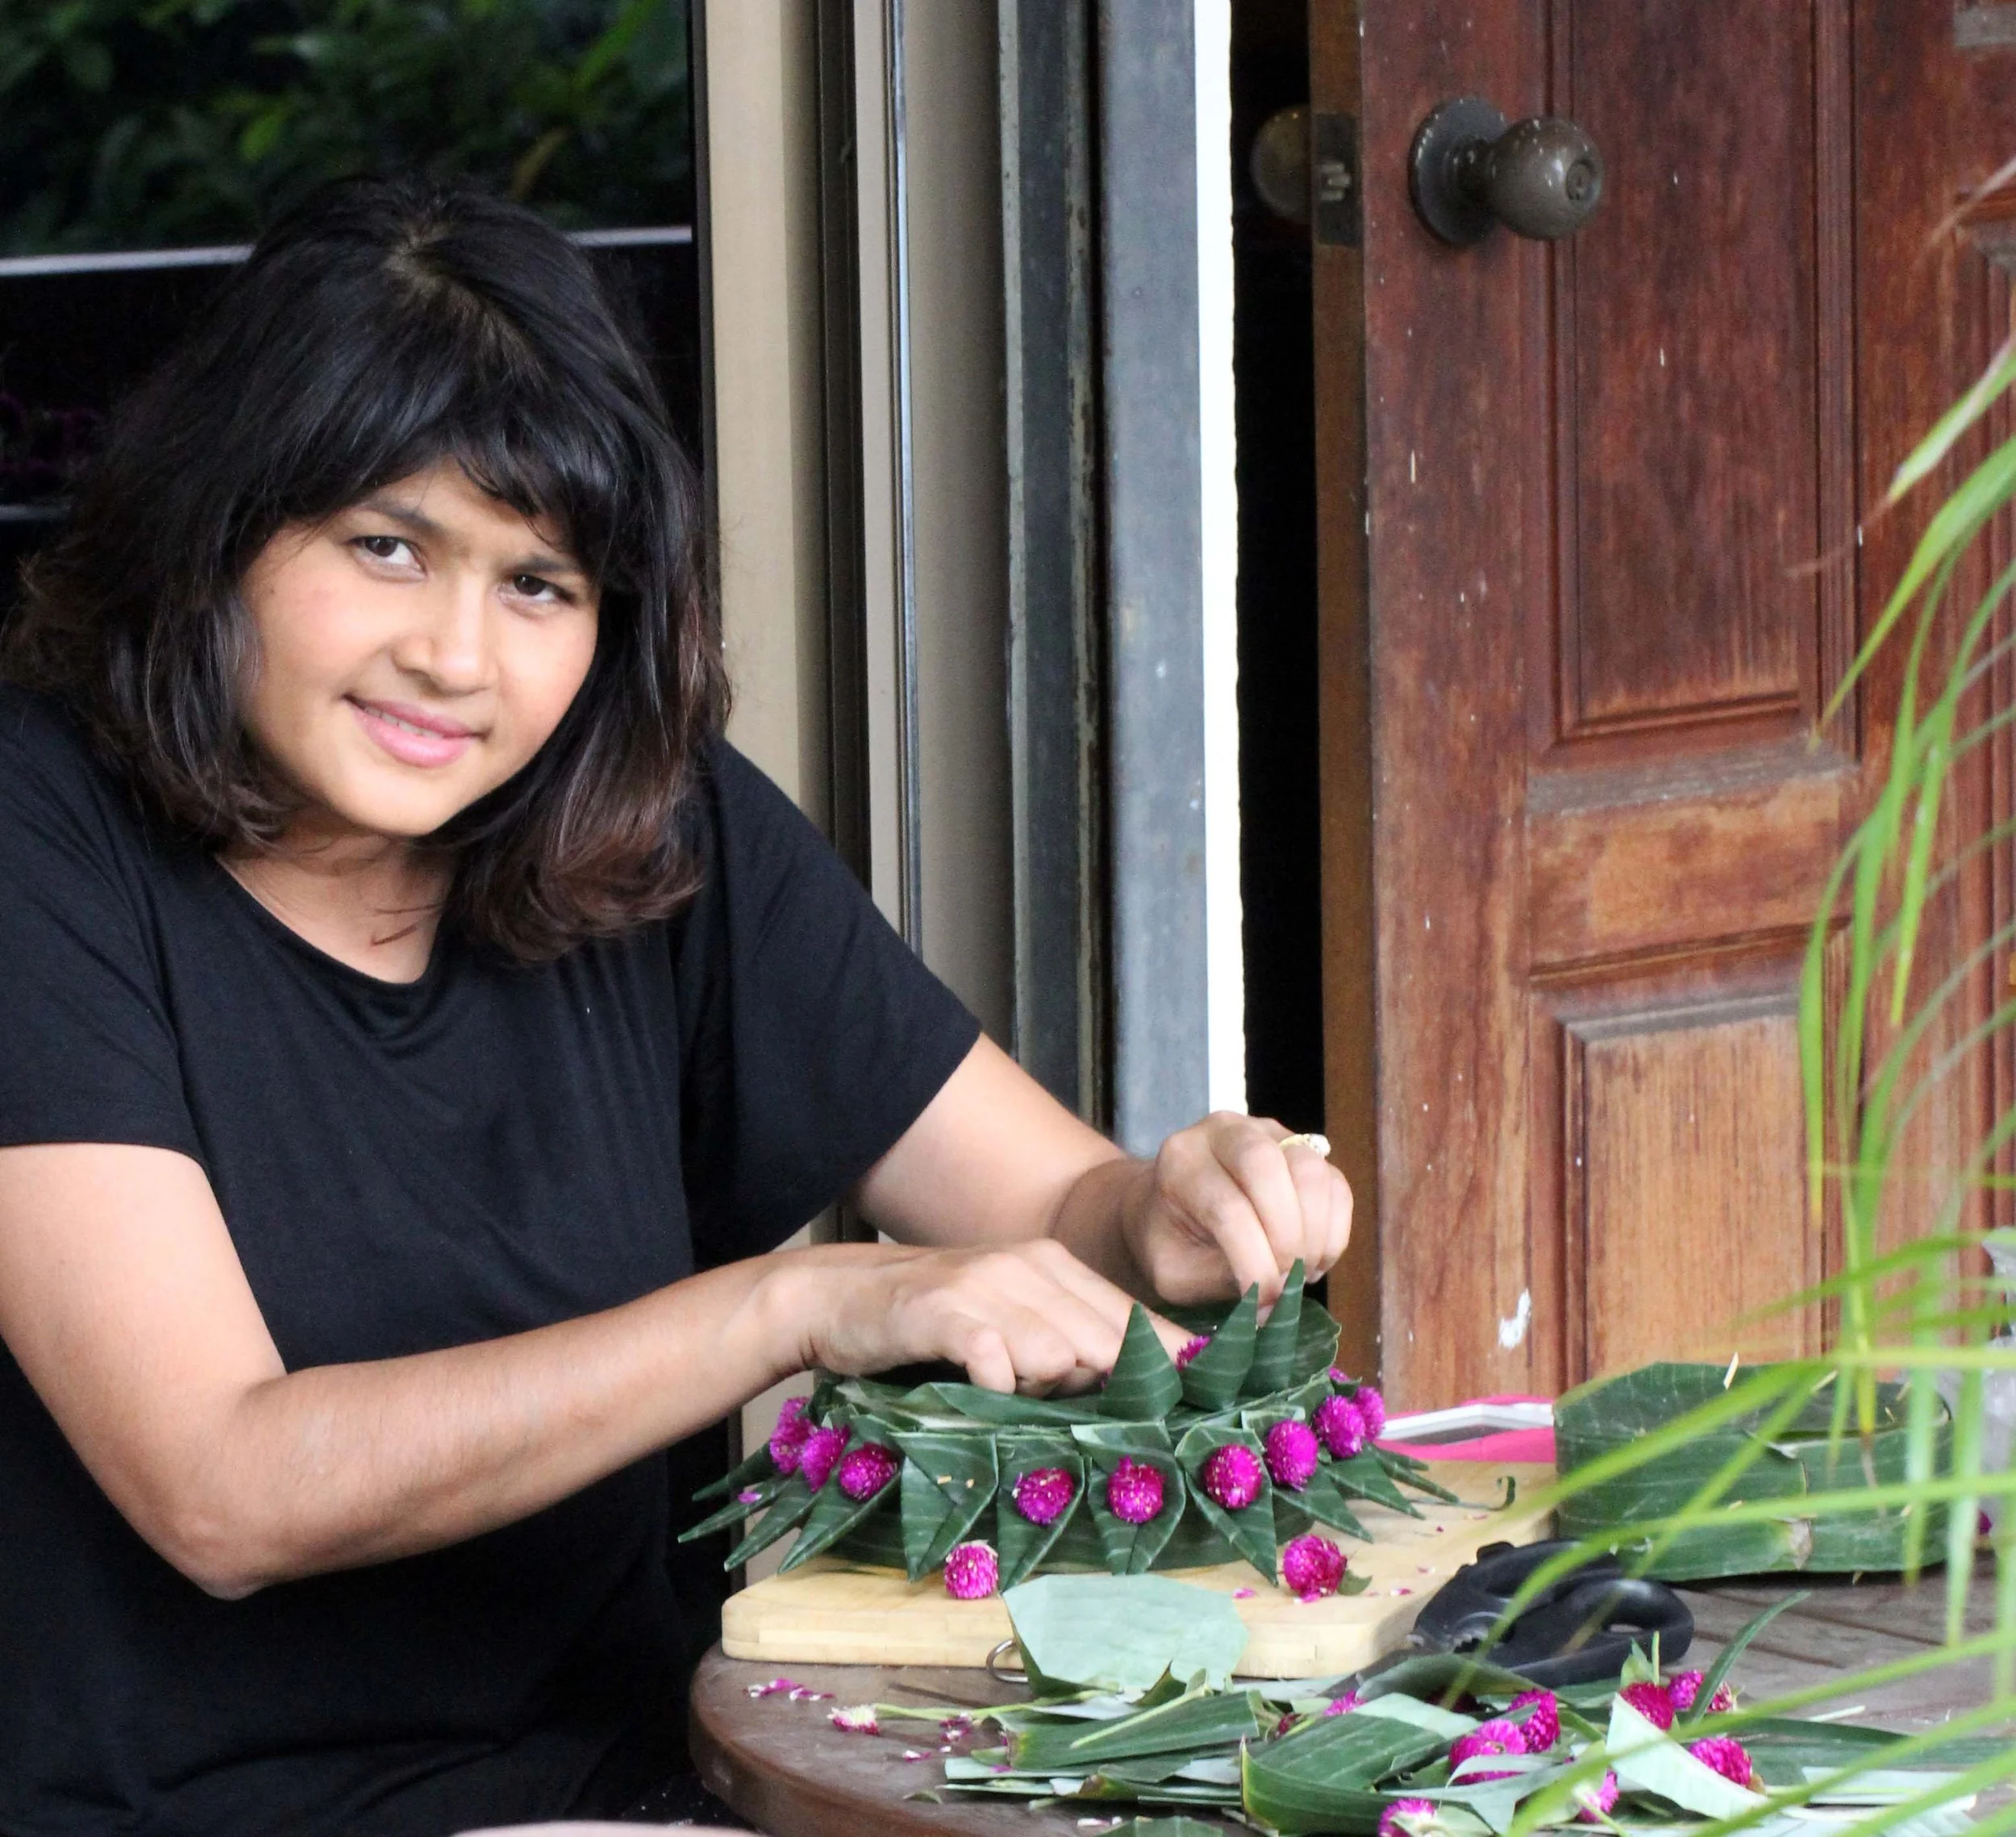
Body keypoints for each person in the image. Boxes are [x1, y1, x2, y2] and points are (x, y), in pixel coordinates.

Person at [0, 176, 1351, 1837]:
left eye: (540, 584)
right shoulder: (41, 842)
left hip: (656, 1776)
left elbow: (1052, 1206)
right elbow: (220, 1482)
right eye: (384, 545)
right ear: (220, 531)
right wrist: (783, 1308)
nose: (454, 655)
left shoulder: (650, 825)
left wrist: (1177, 1209)